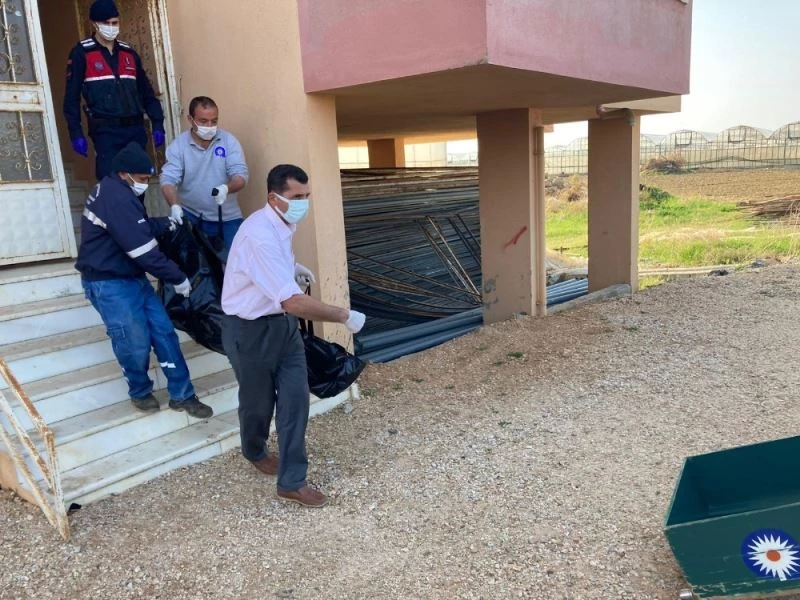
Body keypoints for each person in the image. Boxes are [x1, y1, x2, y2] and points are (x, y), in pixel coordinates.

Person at [221, 164, 366, 508]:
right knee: (258, 403)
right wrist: (344, 315)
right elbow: (293, 301)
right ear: (274, 198)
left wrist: (291, 269)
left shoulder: (283, 222)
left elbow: (280, 284)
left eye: (306, 195)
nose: (303, 203)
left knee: (295, 399)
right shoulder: (258, 235)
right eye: (297, 197)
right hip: (249, 330)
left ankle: (292, 481)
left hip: (283, 328)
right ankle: (254, 450)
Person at [75, 142, 213, 419]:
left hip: (131, 276)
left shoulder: (120, 191)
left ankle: (183, 395)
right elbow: (143, 252)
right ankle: (140, 391)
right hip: (109, 283)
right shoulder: (116, 198)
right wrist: (178, 277)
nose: (145, 183)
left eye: (148, 178)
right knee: (133, 340)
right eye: (141, 178)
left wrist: (166, 222)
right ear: (124, 173)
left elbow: (137, 227)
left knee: (164, 332)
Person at [63, 0, 166, 181]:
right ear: (94, 24)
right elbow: (71, 98)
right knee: (111, 184)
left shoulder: (129, 53)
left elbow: (146, 93)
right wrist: (76, 133)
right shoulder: (82, 53)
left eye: (115, 22)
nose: (111, 27)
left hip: (135, 129)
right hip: (106, 131)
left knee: (137, 183)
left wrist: (157, 122)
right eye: (106, 23)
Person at [160, 96, 249, 256]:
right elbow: (168, 179)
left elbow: (240, 175)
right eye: (203, 121)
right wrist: (174, 206)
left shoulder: (229, 142)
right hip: (191, 215)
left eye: (214, 121)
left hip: (227, 218)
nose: (209, 126)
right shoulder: (179, 145)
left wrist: (226, 188)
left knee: (236, 264)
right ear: (190, 119)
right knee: (192, 264)